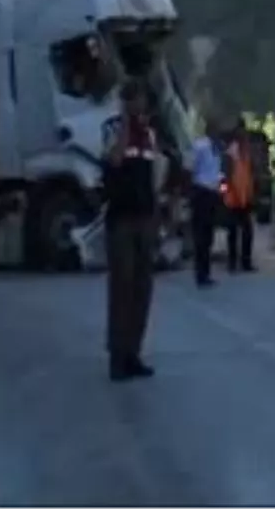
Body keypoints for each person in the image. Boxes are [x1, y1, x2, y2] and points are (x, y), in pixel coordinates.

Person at [102, 79, 160, 381]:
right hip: (121, 220)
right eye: (134, 100)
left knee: (141, 289)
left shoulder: (149, 134)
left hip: (144, 218)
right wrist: (126, 123)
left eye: (142, 101)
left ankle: (134, 352)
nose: (141, 106)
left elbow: (152, 177)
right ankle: (117, 355)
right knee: (121, 289)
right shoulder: (113, 128)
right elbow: (113, 159)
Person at [189, 117, 222, 287]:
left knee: (208, 235)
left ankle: (206, 271)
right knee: (201, 235)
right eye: (214, 128)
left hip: (213, 193)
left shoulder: (216, 148)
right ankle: (200, 273)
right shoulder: (200, 146)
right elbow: (191, 167)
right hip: (201, 191)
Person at [224, 118, 257, 273]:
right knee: (233, 232)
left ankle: (245, 262)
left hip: (245, 197)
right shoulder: (232, 150)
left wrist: (252, 193)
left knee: (247, 232)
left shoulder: (247, 151)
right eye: (241, 132)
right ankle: (232, 262)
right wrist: (228, 191)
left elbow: (250, 173)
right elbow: (228, 173)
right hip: (233, 197)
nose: (243, 135)